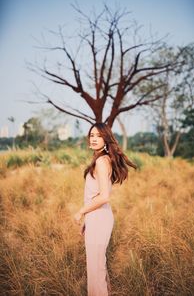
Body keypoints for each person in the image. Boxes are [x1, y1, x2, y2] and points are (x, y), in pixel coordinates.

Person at [74, 122, 137, 296]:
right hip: (96, 218)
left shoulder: (102, 161)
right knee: (96, 267)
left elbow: (104, 196)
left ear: (106, 139)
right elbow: (94, 195)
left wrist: (81, 211)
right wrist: (87, 220)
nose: (94, 139)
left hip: (100, 218)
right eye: (92, 135)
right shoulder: (101, 159)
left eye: (99, 136)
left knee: (96, 269)